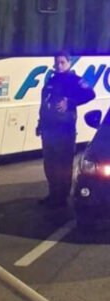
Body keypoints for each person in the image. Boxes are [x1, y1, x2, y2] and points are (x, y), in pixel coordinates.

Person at [36, 51, 95, 209]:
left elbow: (90, 94)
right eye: (57, 62)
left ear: (69, 63)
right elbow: (44, 104)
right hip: (49, 131)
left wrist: (70, 102)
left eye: (62, 62)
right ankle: (53, 194)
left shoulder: (74, 80)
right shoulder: (51, 81)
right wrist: (40, 124)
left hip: (65, 131)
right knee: (50, 165)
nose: (59, 65)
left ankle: (62, 198)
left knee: (63, 166)